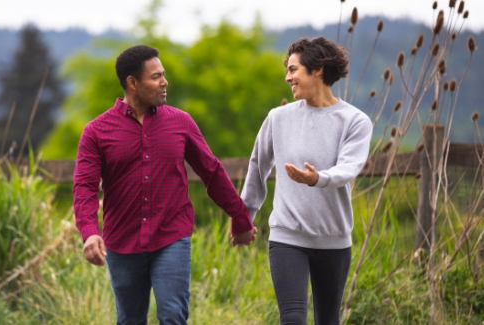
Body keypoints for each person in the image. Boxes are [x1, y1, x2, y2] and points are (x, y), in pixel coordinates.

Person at [73, 44, 257, 325]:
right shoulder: (96, 132)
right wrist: (89, 232)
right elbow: (84, 187)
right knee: (130, 320)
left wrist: (240, 217)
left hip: (171, 236)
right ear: (133, 83)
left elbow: (212, 171)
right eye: (156, 76)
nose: (164, 82)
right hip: (121, 243)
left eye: (163, 74)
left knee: (172, 315)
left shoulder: (180, 122)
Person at [241, 36, 373, 325]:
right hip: (287, 236)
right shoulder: (278, 118)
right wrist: (243, 217)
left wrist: (318, 178)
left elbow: (349, 167)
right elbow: (257, 166)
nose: (287, 77)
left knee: (328, 320)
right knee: (293, 319)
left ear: (318, 70)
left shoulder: (355, 121)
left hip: (334, 240)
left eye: (293, 69)